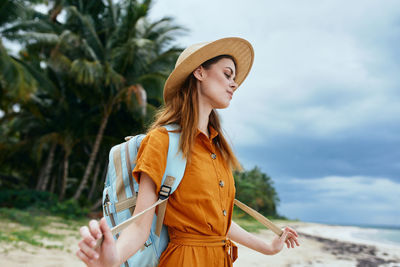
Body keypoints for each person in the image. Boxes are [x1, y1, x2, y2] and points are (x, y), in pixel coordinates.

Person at [76, 37, 300, 267]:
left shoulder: (218, 149)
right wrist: (111, 260)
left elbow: (218, 223)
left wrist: (268, 247)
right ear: (199, 72)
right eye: (227, 74)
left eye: (234, 78)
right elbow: (140, 226)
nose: (234, 84)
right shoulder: (161, 141)